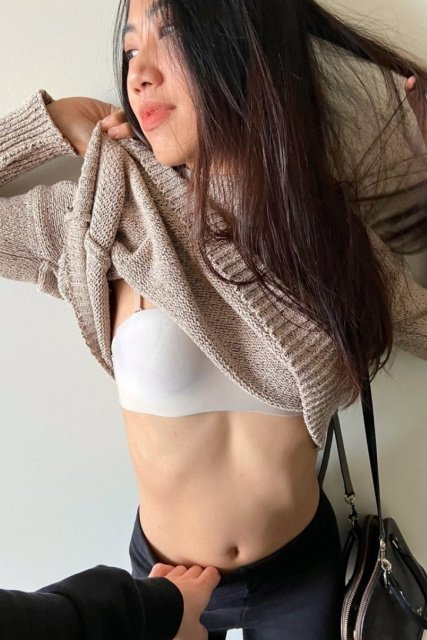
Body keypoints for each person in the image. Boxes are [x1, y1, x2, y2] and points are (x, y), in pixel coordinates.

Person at [1, 1, 427, 639]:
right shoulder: (107, 214)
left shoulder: (326, 231)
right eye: (130, 49)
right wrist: (48, 124)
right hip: (164, 587)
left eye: (170, 35)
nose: (138, 73)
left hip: (302, 570)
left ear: (244, 48)